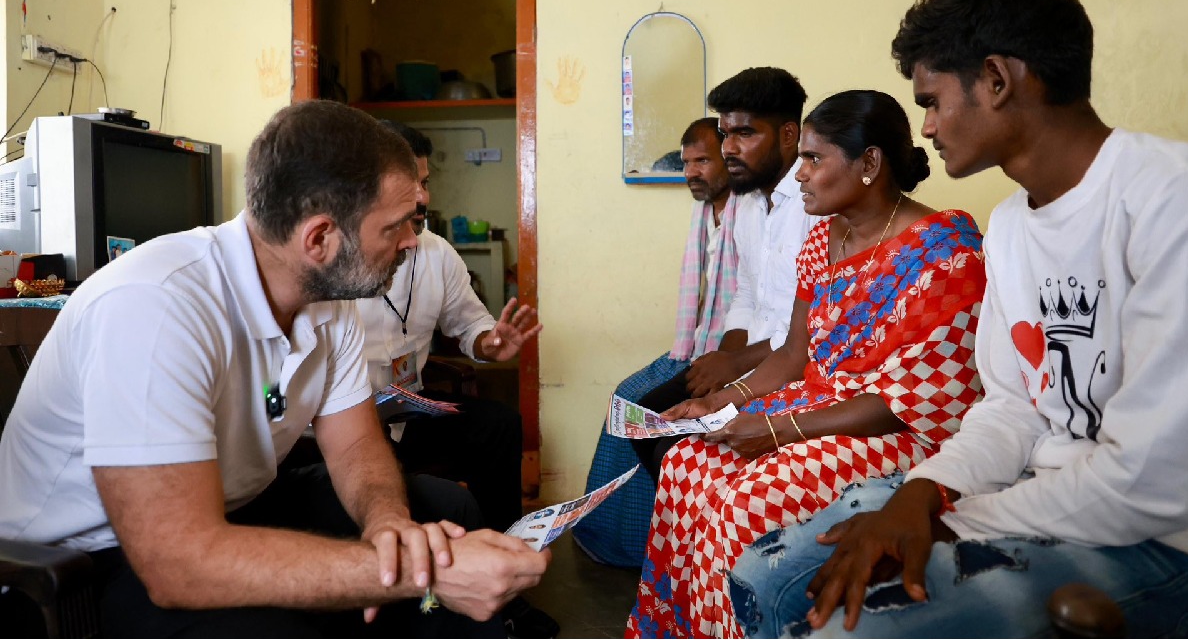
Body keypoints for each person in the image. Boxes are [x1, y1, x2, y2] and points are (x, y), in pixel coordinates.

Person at [728, 0, 1188, 638]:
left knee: (856, 627)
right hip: (1030, 499)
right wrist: (920, 491)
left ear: (996, 79)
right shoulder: (1014, 226)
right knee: (767, 576)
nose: (925, 128)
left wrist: (943, 518)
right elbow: (1010, 406)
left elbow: (1155, 482)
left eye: (931, 101)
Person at [0, 101, 549, 636]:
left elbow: (356, 445)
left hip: (232, 506)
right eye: (396, 227)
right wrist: (409, 574)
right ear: (319, 238)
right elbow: (177, 563)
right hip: (89, 559)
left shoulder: (328, 300)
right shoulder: (155, 305)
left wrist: (390, 526)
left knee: (440, 512)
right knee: (318, 613)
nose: (412, 241)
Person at [626, 90, 987, 639]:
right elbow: (796, 354)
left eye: (814, 159)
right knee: (688, 461)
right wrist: (717, 404)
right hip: (816, 405)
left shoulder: (945, 249)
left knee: (747, 500)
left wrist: (777, 430)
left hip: (894, 425)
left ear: (869, 163)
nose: (800, 175)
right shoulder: (824, 237)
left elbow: (917, 401)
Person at [355, 121, 557, 638]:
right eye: (410, 183)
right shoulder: (340, 259)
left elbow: (470, 325)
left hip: (409, 410)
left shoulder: (437, 253)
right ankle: (438, 597)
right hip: (347, 425)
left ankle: (507, 579)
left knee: (499, 426)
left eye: (426, 182)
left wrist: (490, 343)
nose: (422, 197)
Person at [631, 67, 823, 485]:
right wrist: (724, 361)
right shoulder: (749, 205)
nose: (729, 149)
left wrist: (736, 364)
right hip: (751, 360)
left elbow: (814, 326)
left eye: (745, 134)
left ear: (789, 135)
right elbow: (747, 294)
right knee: (648, 424)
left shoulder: (816, 204)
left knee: (676, 450)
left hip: (796, 367)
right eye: (724, 135)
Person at [574, 117, 739, 568]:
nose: (691, 173)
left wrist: (722, 359)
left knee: (643, 412)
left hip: (732, 355)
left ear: (731, 156)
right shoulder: (708, 212)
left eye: (702, 160)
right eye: (686, 163)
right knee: (622, 402)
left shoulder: (753, 213)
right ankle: (621, 539)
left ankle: (653, 551)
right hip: (698, 345)